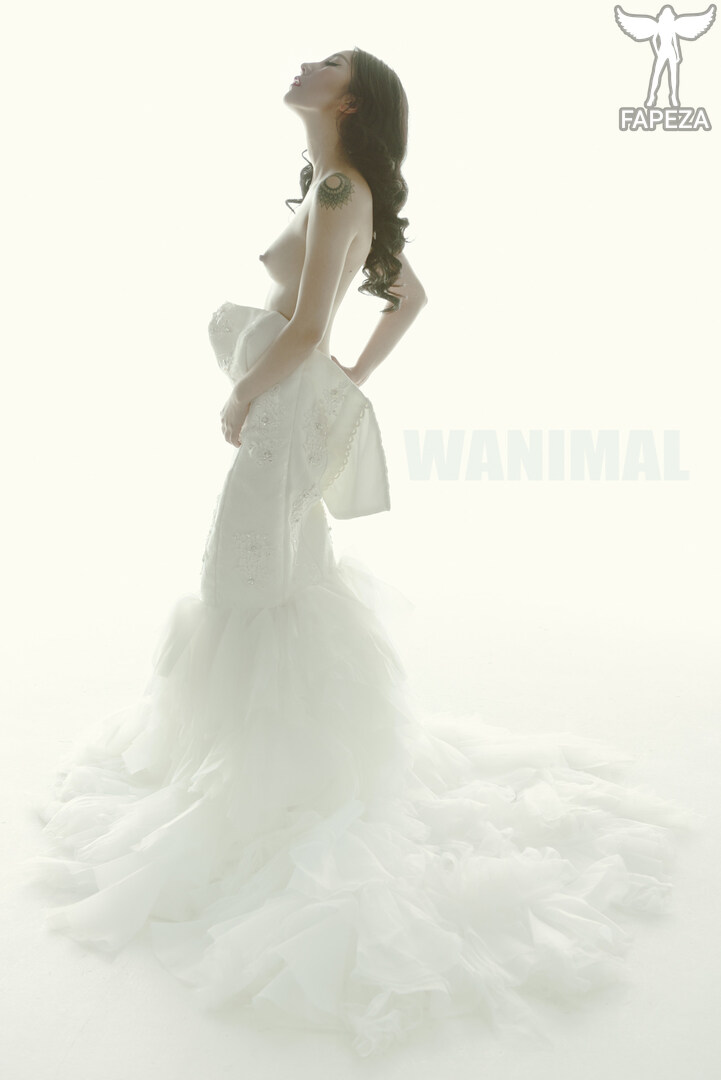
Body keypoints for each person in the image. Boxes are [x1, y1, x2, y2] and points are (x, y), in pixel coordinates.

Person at [25, 47, 702, 1060]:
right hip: (297, 409)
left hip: (280, 415)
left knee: (244, 584)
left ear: (348, 100)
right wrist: (346, 376)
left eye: (326, 63)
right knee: (280, 581)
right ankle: (276, 772)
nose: (304, 63)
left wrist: (245, 393)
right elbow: (406, 297)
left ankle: (261, 789)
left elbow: (306, 325)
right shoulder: (336, 185)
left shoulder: (341, 187)